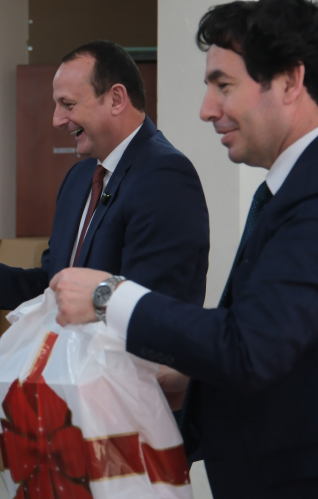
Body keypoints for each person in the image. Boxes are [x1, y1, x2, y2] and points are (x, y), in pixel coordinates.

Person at [49, 1, 318, 497]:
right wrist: (194, 378)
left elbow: (251, 346)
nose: (206, 109)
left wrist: (108, 296)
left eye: (224, 85)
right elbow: (286, 339)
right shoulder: (288, 190)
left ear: (289, 82)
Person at [0, 41, 209, 312]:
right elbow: (53, 286)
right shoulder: (78, 178)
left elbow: (152, 303)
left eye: (67, 104)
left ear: (116, 99)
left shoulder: (165, 175)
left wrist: (86, 304)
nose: (56, 120)